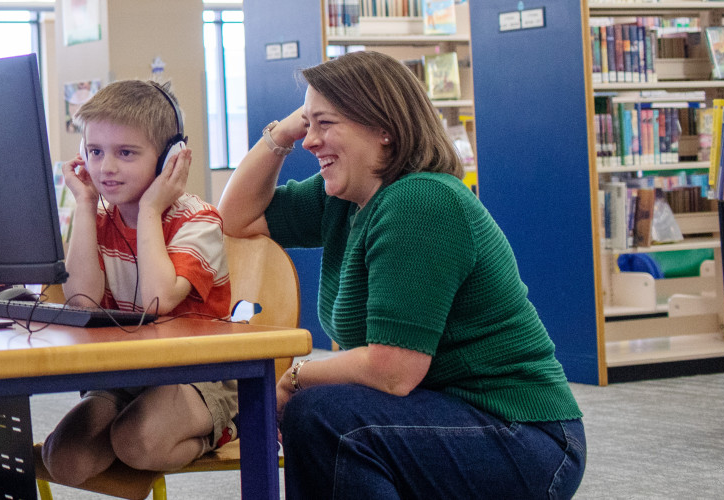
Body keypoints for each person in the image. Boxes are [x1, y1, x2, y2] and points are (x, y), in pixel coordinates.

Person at [216, 50, 585, 499]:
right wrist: (282, 133)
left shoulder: (420, 202)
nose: (310, 141)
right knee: (324, 414)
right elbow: (233, 218)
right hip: (441, 412)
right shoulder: (344, 199)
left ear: (384, 129)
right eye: (307, 124)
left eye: (325, 124)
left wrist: (296, 378)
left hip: (523, 434)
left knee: (324, 416)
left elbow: (393, 370)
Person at [40, 80, 235, 484]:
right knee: (64, 458)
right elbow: (82, 301)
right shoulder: (98, 218)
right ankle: (136, 425)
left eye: (125, 153)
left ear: (170, 159)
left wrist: (149, 209)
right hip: (130, 370)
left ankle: (227, 426)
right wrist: (85, 204)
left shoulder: (197, 222)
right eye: (95, 152)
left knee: (138, 441)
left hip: (202, 373)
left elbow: (157, 300)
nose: (106, 167)